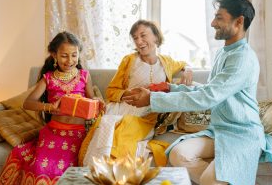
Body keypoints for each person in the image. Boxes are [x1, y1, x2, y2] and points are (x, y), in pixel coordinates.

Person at [123, 0, 272, 185]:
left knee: (209, 182)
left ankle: (226, 184)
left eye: (219, 18)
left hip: (242, 134)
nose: (213, 23)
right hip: (219, 131)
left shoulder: (243, 59)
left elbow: (207, 97)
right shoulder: (224, 53)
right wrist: (170, 88)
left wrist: (153, 99)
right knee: (179, 154)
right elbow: (208, 89)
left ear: (238, 22)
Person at [0, 31, 103, 185]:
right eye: (64, 56)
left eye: (74, 55)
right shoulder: (48, 78)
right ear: (54, 55)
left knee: (65, 168)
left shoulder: (84, 76)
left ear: (79, 54)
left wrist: (98, 102)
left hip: (78, 134)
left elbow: (92, 99)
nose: (70, 60)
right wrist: (50, 107)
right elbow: (28, 103)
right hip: (53, 132)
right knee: (41, 167)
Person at [78, 19, 193, 166]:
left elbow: (184, 64)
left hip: (146, 116)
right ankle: (100, 174)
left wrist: (188, 70)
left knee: (122, 134)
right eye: (135, 38)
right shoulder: (129, 60)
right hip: (121, 110)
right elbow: (111, 91)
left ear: (156, 37)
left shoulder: (167, 62)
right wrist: (130, 94)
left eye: (143, 35)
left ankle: (117, 175)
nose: (139, 41)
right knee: (107, 126)